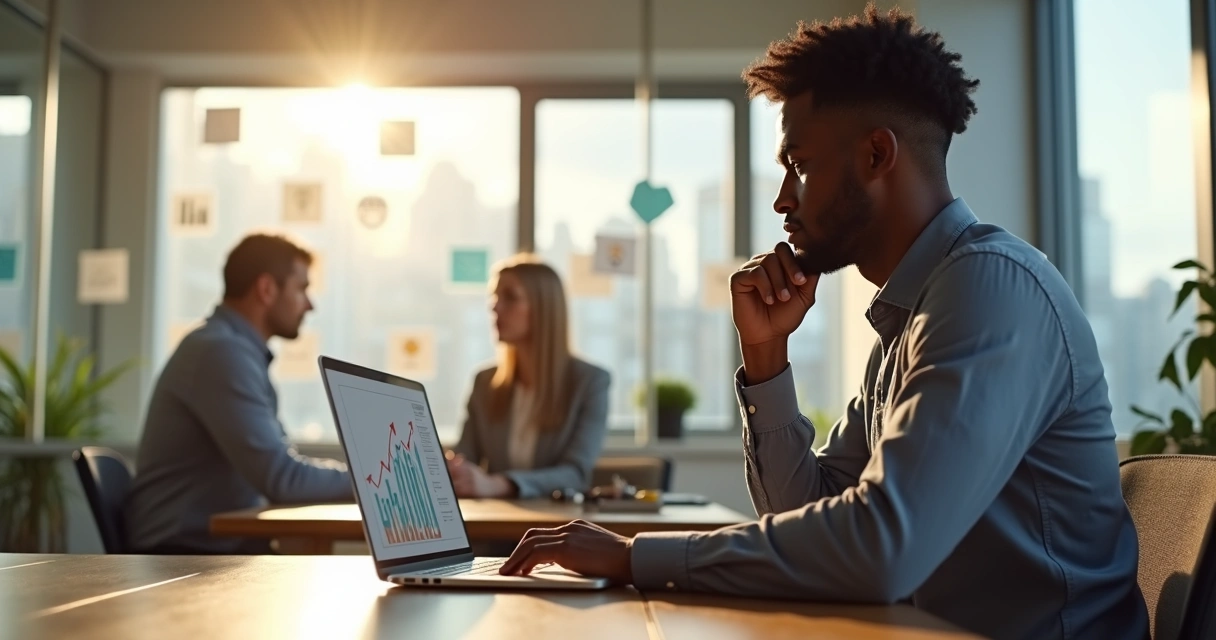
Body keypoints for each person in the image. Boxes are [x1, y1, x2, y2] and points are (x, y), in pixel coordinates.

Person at [497, 6, 1148, 639]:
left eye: (799, 164)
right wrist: (766, 357)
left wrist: (639, 558)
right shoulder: (911, 314)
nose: (782, 198)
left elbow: (881, 547)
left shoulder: (989, 287)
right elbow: (807, 513)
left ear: (875, 155)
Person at [125, 234, 351, 554]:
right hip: (184, 557)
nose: (310, 304)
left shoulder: (232, 351)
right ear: (267, 289)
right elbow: (281, 478)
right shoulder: (221, 353)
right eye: (301, 289)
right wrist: (381, 483)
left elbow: (280, 467)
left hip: (210, 548)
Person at [446, 255, 610, 499]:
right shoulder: (485, 382)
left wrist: (500, 484)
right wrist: (452, 469)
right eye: (494, 296)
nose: (494, 306)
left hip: (556, 530)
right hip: (496, 528)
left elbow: (575, 473)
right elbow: (466, 455)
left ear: (544, 308)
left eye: (510, 297)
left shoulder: (590, 382)